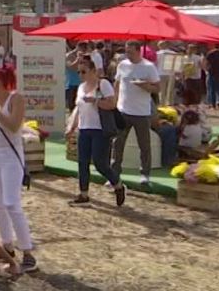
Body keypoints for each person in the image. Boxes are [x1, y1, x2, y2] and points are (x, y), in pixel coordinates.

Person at [0, 65, 39, 274]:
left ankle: (28, 251)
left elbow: (14, 126)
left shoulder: (16, 99)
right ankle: (7, 247)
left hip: (10, 155)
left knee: (11, 203)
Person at [66, 58, 126, 206]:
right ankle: (83, 194)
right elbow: (77, 108)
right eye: (78, 71)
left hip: (100, 129)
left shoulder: (103, 84)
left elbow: (112, 104)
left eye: (84, 71)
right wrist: (71, 126)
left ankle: (117, 184)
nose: (80, 74)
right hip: (84, 128)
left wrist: (96, 101)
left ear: (93, 71)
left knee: (100, 164)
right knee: (82, 162)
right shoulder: (80, 87)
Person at [112, 40, 161, 188]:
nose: (128, 54)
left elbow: (157, 88)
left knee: (144, 145)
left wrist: (145, 86)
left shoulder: (148, 67)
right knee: (117, 143)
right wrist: (114, 103)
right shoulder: (122, 65)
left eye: (131, 52)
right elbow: (117, 83)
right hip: (123, 110)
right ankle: (114, 175)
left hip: (141, 112)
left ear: (138, 51)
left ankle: (145, 174)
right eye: (127, 51)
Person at [203, 44, 219, 110]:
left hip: (211, 73)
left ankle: (213, 105)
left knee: (212, 90)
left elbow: (205, 63)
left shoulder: (210, 53)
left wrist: (206, 71)